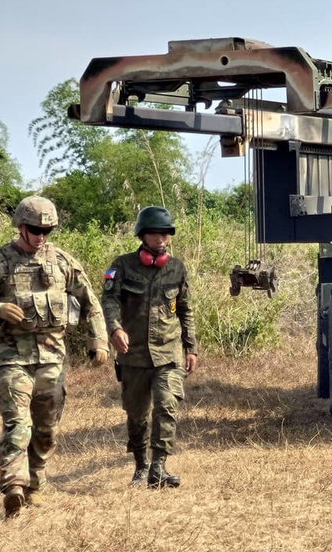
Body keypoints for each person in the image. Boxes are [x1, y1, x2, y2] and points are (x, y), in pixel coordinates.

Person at [0, 195, 109, 519]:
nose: (41, 236)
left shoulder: (63, 262)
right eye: (35, 229)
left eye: (46, 231)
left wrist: (100, 340)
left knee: (46, 428)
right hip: (12, 357)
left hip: (52, 358)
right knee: (17, 424)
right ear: (21, 227)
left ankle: (35, 484)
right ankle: (13, 485)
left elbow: (91, 302)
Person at [101, 206, 197, 489]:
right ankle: (141, 466)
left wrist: (190, 347)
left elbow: (184, 309)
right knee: (137, 414)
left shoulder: (177, 268)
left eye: (165, 234)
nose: (161, 239)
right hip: (134, 355)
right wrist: (115, 328)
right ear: (142, 235)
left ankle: (159, 467)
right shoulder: (121, 265)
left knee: (167, 407)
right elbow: (109, 301)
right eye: (155, 234)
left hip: (168, 352)